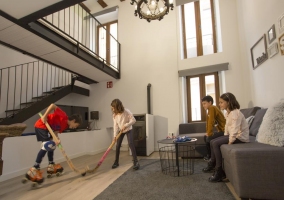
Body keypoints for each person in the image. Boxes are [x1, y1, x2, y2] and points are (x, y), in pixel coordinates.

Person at [25, 103, 82, 183]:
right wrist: (45, 116)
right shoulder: (63, 116)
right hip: (42, 125)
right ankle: (34, 169)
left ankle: (51, 165)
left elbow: (55, 131)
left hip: (48, 129)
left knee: (52, 146)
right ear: (73, 120)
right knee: (48, 145)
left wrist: (57, 139)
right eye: (76, 125)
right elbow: (52, 105)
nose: (75, 127)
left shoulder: (65, 126)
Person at [203, 92, 249, 182]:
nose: (219, 104)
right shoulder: (228, 113)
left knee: (215, 143)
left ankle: (219, 171)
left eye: (221, 102)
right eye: (219, 102)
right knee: (213, 141)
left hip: (240, 137)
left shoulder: (235, 113)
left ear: (228, 102)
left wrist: (230, 141)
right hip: (233, 135)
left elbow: (235, 129)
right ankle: (214, 165)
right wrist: (224, 137)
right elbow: (227, 128)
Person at [111, 99, 140, 170]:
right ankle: (116, 162)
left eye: (113, 107)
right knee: (117, 146)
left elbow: (134, 120)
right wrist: (115, 136)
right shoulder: (115, 115)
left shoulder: (126, 111)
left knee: (130, 143)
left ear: (117, 106)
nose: (112, 109)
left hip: (128, 129)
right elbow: (115, 126)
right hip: (121, 131)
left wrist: (126, 125)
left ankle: (136, 162)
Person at [201, 95, 226, 161]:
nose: (203, 105)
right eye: (202, 104)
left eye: (204, 103)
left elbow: (211, 122)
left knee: (209, 137)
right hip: (221, 130)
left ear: (210, 102)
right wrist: (208, 133)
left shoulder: (212, 108)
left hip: (225, 131)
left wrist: (209, 134)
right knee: (206, 137)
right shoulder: (210, 109)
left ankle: (211, 157)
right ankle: (209, 155)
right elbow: (210, 122)